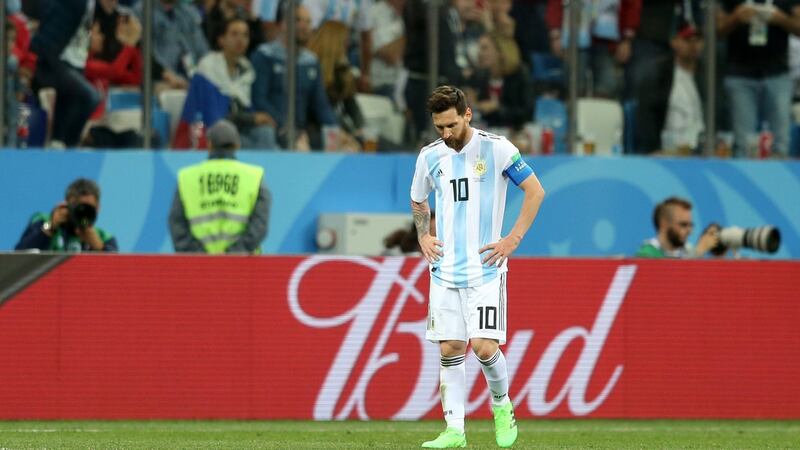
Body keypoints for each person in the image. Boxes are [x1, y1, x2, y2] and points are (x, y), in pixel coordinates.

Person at [410, 86, 545, 448]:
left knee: (484, 348)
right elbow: (418, 199)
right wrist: (424, 237)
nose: (446, 134)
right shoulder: (430, 156)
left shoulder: (497, 148)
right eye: (439, 127)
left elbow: (535, 192)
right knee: (450, 348)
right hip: (445, 270)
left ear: (467, 114)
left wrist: (512, 240)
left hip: (485, 268)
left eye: (451, 125)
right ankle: (455, 431)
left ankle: (502, 405)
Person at [169, 119, 271, 254]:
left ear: (209, 145)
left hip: (198, 267)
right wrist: (234, 254)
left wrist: (198, 256)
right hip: (244, 269)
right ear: (237, 145)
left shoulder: (187, 177)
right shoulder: (254, 176)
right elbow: (259, 226)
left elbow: (177, 224)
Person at [250, 3, 340, 150]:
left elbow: (321, 105)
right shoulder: (265, 56)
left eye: (308, 22)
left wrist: (336, 131)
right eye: (298, 20)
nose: (304, 26)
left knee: (345, 145)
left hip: (303, 131)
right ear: (282, 24)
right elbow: (259, 100)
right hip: (273, 129)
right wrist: (289, 130)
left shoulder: (311, 61)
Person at [717, 0, 800, 158]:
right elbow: (715, 31)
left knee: (781, 143)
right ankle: (741, 181)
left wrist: (779, 18)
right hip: (740, 75)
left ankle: (779, 180)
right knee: (743, 144)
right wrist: (736, 18)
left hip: (777, 74)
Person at [28, 0, 101, 147]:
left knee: (65, 110)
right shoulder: (73, 3)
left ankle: (59, 144)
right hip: (55, 63)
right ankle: (70, 146)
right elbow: (51, 23)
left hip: (76, 62)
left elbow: (84, 28)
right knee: (90, 97)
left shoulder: (93, 5)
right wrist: (44, 57)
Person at [635, 18, 706, 154]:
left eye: (697, 39)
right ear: (674, 42)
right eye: (687, 39)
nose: (693, 45)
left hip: (702, 151)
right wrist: (653, 149)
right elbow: (646, 115)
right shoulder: (658, 74)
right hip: (668, 151)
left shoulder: (708, 76)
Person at [15, 178, 118, 252]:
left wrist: (100, 248)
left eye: (88, 208)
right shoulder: (43, 221)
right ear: (66, 204)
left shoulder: (104, 238)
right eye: (79, 207)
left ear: (98, 208)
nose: (83, 213)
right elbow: (19, 256)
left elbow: (119, 274)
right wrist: (50, 227)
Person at [635, 196, 719, 258]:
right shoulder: (646, 254)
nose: (690, 231)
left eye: (691, 225)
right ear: (664, 224)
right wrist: (698, 252)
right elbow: (672, 278)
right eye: (683, 225)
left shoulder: (688, 250)